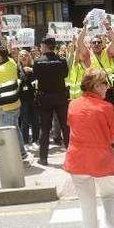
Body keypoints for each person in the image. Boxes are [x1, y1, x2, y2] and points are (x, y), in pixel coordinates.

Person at [64, 68, 114, 228]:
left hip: (78, 160)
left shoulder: (73, 105)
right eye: (104, 83)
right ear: (95, 86)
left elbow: (72, 125)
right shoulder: (106, 107)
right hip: (101, 159)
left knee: (87, 207)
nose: (107, 87)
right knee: (108, 199)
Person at [33, 36, 71, 164]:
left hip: (45, 98)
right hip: (60, 97)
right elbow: (65, 74)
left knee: (45, 129)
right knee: (65, 127)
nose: (40, 47)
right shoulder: (61, 60)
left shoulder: (38, 61)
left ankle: (43, 158)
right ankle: (71, 156)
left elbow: (36, 76)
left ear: (45, 46)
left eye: (41, 45)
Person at [0, 46, 26, 159]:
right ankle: (22, 153)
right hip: (15, 104)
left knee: (7, 134)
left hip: (5, 107)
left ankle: (12, 158)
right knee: (16, 130)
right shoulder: (11, 62)